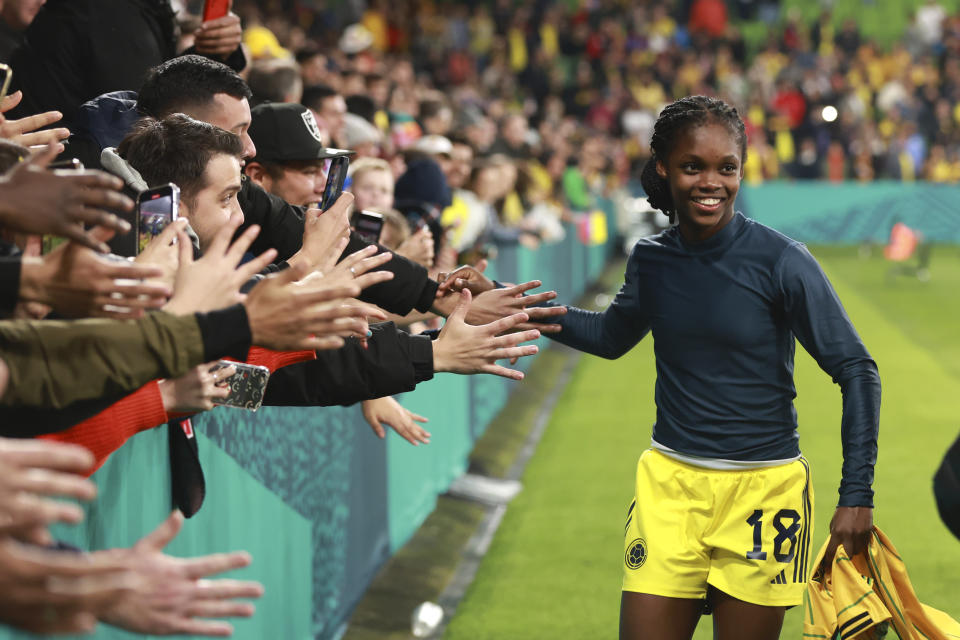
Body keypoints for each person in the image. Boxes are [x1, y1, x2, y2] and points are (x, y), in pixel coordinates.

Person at [466, 96, 881, 639]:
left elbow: (856, 368)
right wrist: (502, 298)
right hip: (670, 486)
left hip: (763, 494)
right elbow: (611, 336)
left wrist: (857, 493)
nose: (712, 182)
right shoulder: (652, 258)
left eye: (726, 168)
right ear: (663, 168)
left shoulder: (782, 260)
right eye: (693, 167)